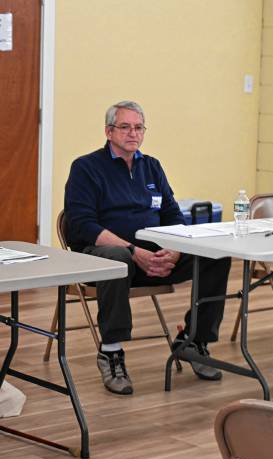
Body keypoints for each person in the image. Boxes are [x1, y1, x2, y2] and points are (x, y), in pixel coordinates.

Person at [64, 101, 231, 395]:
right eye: (125, 127)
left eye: (138, 127)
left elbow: (174, 216)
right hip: (104, 259)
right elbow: (82, 225)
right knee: (118, 259)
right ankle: (111, 352)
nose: (133, 133)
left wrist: (175, 250)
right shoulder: (86, 168)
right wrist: (132, 251)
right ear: (108, 131)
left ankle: (194, 339)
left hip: (155, 259)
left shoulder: (151, 166)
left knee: (215, 251)